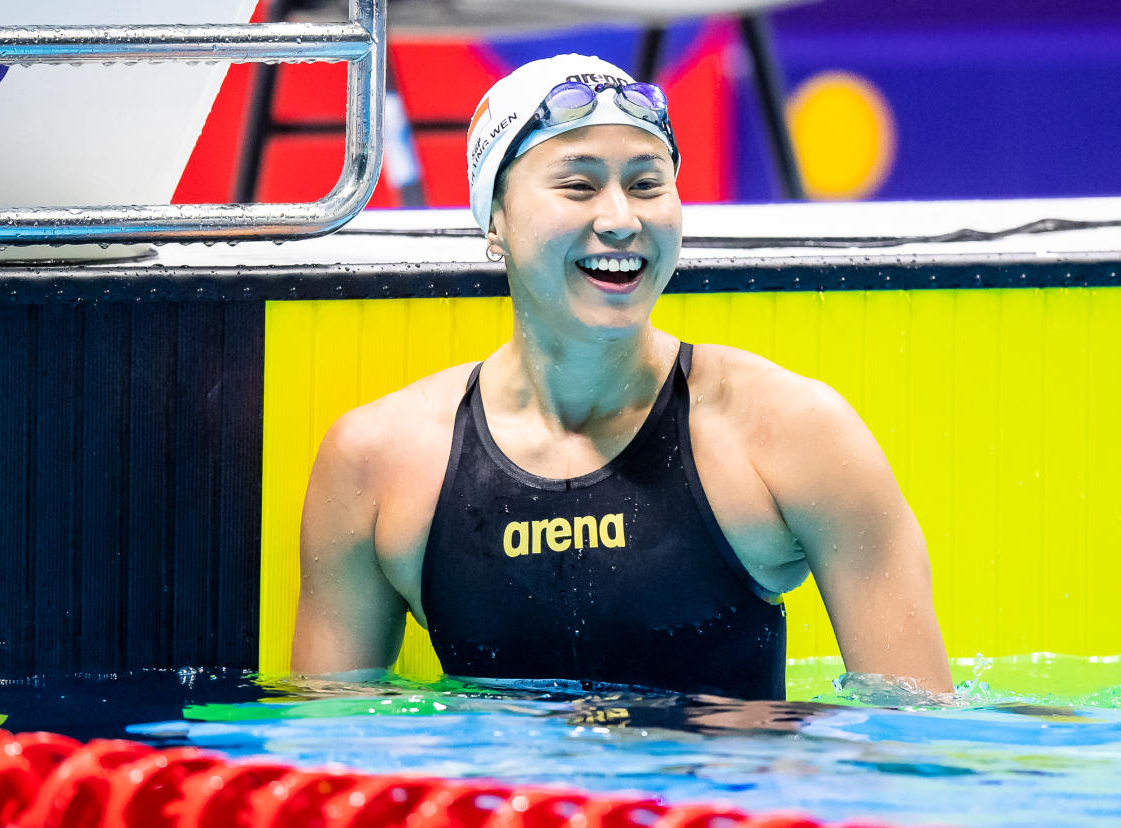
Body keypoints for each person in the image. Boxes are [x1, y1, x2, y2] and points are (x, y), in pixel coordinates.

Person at [291, 54, 952, 700]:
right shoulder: (376, 463)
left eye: (646, 184)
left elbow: (917, 741)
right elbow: (325, 757)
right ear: (494, 218)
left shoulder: (791, 432)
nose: (620, 219)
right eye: (578, 185)